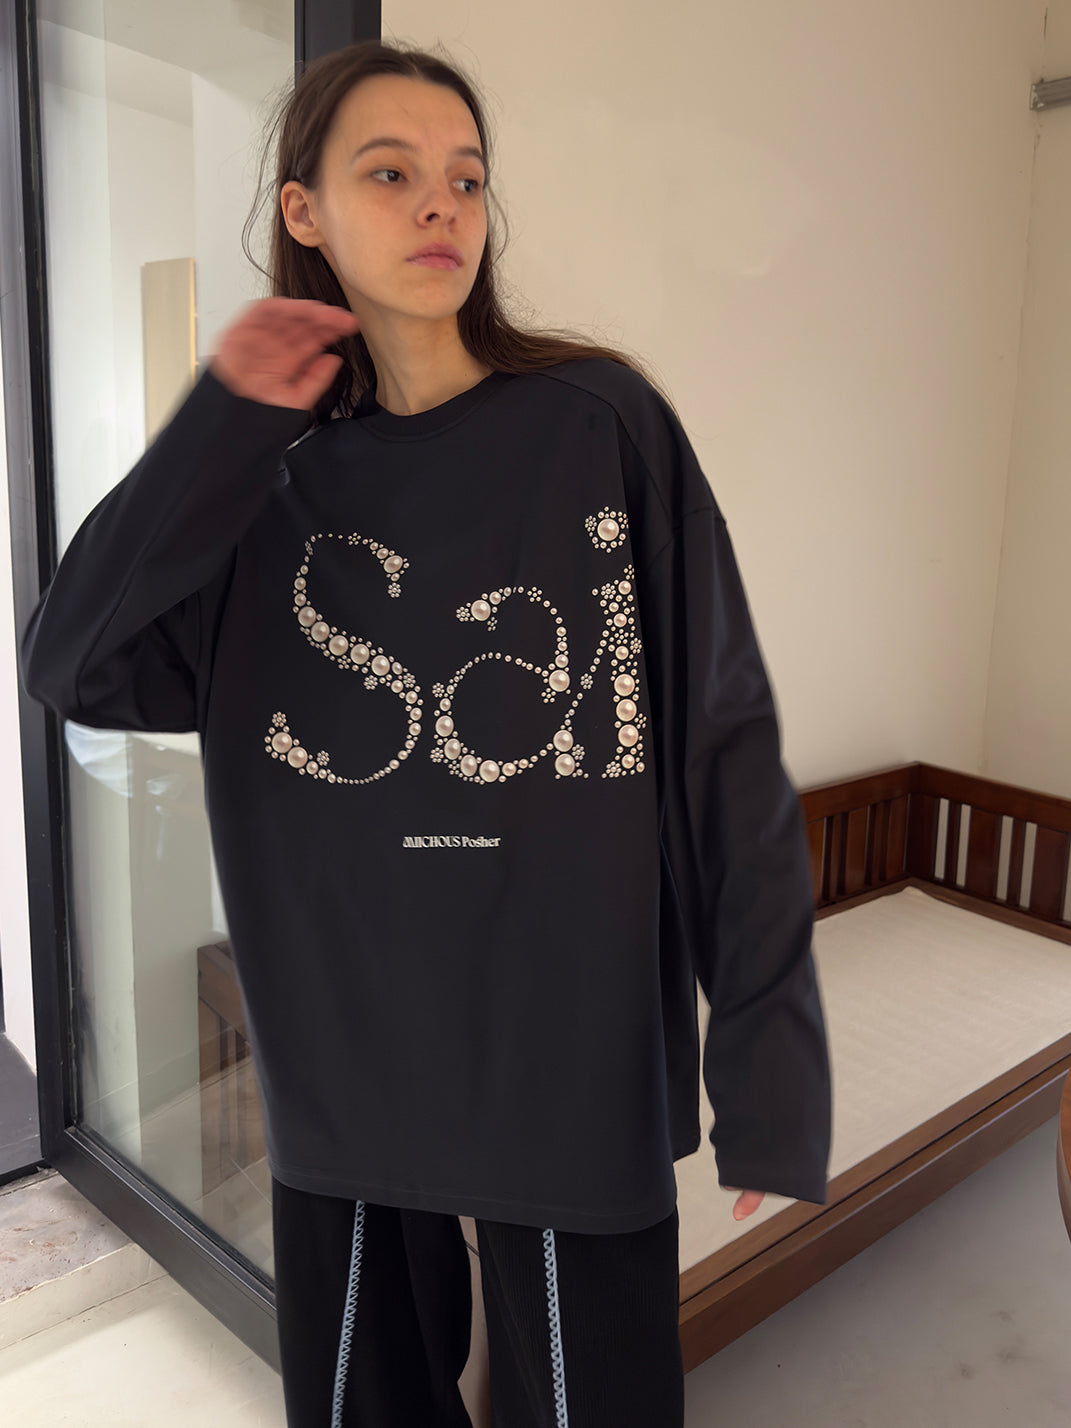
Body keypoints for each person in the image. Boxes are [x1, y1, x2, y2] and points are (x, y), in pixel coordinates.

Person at [19, 37, 831, 1428]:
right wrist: (221, 419)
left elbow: (722, 742)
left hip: (564, 1059)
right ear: (306, 210)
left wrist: (768, 1051)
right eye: (390, 173)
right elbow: (74, 663)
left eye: (465, 175)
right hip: (345, 1060)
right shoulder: (262, 489)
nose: (441, 203)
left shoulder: (599, 425)